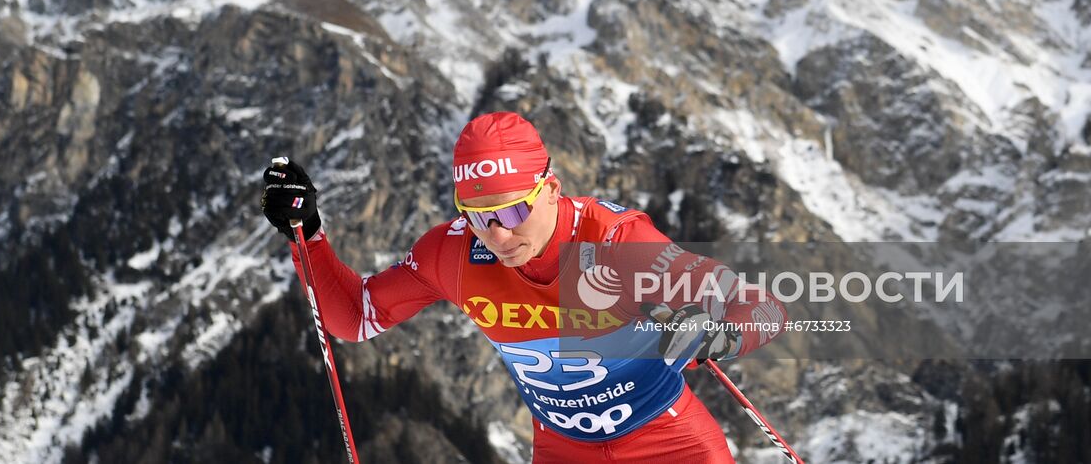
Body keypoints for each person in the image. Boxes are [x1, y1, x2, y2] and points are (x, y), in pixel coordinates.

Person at [261, 111, 786, 462]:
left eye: (515, 209)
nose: (500, 232)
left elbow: (763, 308)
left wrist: (714, 333)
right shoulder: (455, 253)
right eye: (479, 215)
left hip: (669, 446)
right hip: (563, 451)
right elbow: (355, 316)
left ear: (550, 189)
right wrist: (307, 237)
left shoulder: (617, 241)